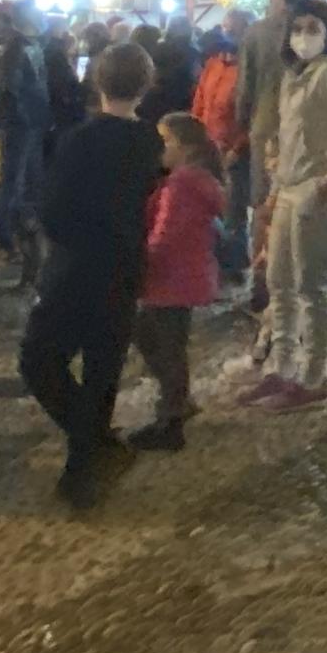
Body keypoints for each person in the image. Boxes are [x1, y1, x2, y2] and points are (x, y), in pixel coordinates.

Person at [19, 42, 162, 510]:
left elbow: (54, 207)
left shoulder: (79, 139)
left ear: (97, 81)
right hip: (123, 264)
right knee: (103, 366)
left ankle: (88, 455)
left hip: (76, 265)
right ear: (146, 85)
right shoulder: (150, 143)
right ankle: (87, 461)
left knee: (39, 358)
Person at [240, 0, 327, 414]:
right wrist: (277, 188)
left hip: (317, 190)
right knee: (278, 282)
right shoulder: (294, 75)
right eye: (297, 28)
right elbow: (290, 135)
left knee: (312, 287)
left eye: (312, 27)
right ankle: (282, 368)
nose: (303, 36)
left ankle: (313, 377)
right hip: (291, 188)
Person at [129, 112, 226, 452]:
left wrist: (142, 260)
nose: (160, 149)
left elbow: (166, 232)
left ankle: (171, 418)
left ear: (184, 147)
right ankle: (176, 404)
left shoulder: (183, 183)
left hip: (171, 278)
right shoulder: (191, 179)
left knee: (164, 345)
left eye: (166, 142)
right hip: (182, 277)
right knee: (160, 340)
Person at [236, 0, 308, 312]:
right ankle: (300, 283)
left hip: (267, 128)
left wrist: (242, 124)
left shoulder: (257, 33)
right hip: (307, 130)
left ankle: (263, 286)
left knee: (264, 208)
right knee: (302, 206)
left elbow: (245, 90)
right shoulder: (316, 30)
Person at [0, 5, 51, 280]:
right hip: (22, 125)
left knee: (27, 182)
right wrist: (26, 118)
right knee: (14, 180)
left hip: (31, 123)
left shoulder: (28, 45)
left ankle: (23, 234)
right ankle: (4, 234)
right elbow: (11, 91)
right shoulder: (17, 48)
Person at [191, 25, 250, 278]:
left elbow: (251, 114)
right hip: (208, 148)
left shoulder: (247, 71)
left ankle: (233, 266)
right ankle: (213, 261)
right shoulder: (212, 65)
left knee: (233, 211)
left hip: (234, 150)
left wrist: (237, 148)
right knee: (207, 209)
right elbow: (200, 103)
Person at [141, 17, 199, 125]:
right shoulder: (193, 52)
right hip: (183, 98)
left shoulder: (158, 48)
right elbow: (195, 76)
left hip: (157, 94)